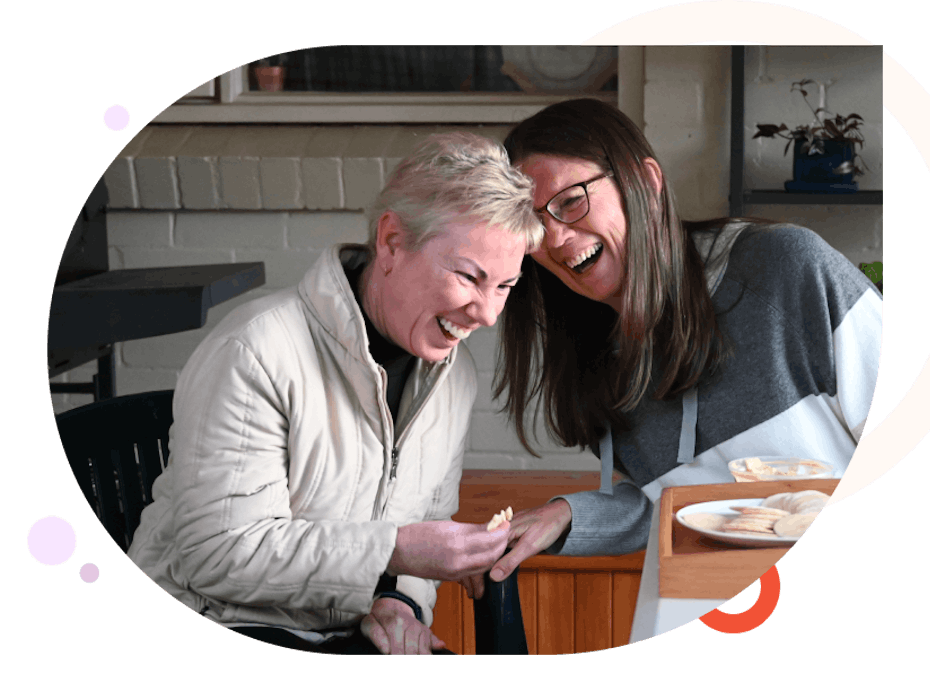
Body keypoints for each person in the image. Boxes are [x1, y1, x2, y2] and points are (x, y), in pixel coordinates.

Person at [127, 132, 543, 654]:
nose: (488, 314)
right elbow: (217, 553)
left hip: (341, 633)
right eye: (468, 277)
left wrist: (398, 603)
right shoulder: (255, 349)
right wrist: (393, 551)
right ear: (392, 242)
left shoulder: (452, 376)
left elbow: (423, 530)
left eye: (505, 286)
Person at [488, 98, 883, 582]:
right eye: (531, 225)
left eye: (570, 201)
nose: (553, 239)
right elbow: (683, 502)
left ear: (647, 182)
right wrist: (571, 515)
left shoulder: (785, 269)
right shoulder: (596, 353)